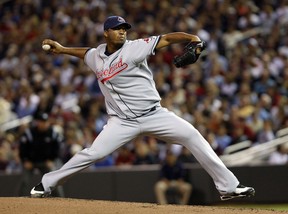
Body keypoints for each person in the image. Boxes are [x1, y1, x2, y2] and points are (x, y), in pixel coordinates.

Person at [30, 16, 255, 201]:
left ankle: (228, 186)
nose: (122, 32)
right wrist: (62, 50)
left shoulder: (135, 48)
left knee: (193, 136)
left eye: (124, 28)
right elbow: (85, 53)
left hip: (154, 115)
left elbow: (166, 38)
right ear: (106, 33)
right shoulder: (96, 55)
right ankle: (47, 184)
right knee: (93, 153)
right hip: (121, 122)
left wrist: (192, 38)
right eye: (117, 29)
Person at [19, 112, 64, 196]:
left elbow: (57, 149)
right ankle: (19, 200)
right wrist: (25, 160)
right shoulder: (30, 133)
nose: (43, 124)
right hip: (31, 162)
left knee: (54, 179)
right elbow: (22, 148)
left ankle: (60, 199)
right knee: (24, 181)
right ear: (37, 122)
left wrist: (52, 160)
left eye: (45, 121)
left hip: (46, 162)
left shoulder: (52, 133)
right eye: (41, 121)